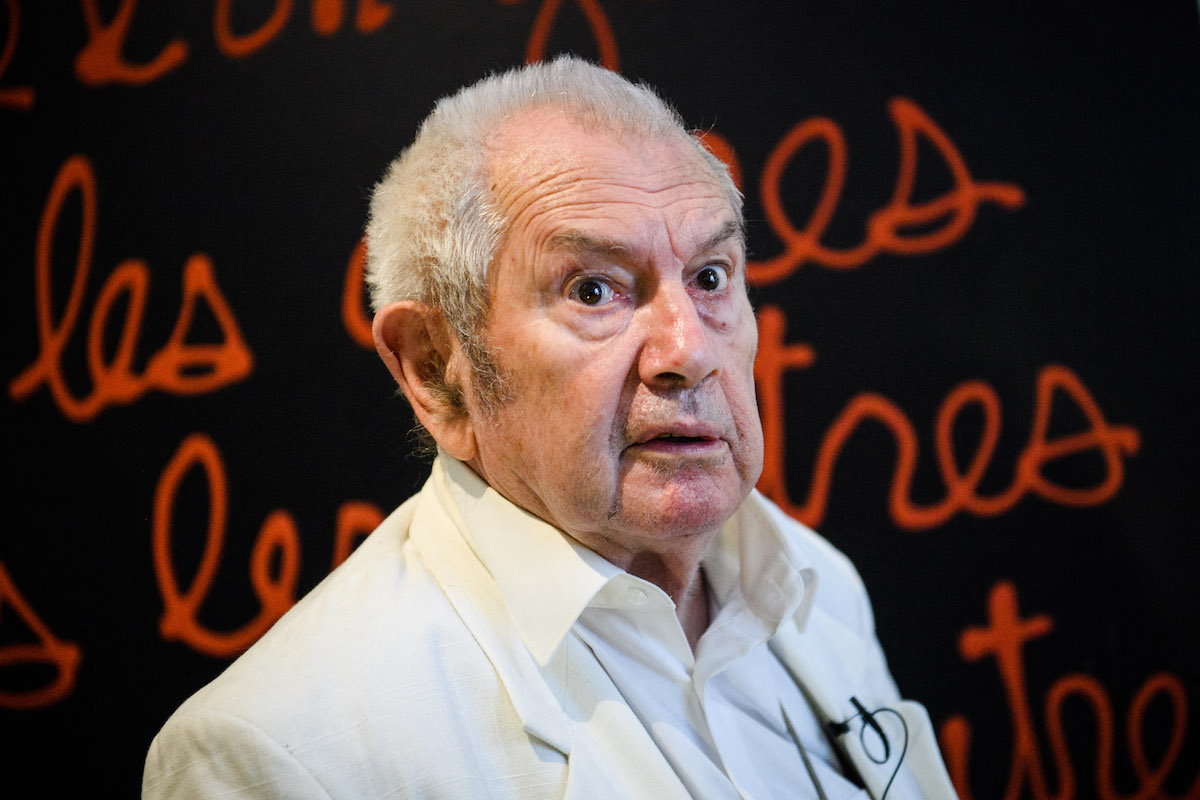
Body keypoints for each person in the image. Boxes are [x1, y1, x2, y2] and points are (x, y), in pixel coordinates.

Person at [142, 56, 957, 799]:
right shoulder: (276, 754)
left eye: (710, 276)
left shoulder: (812, 583)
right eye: (595, 290)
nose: (688, 351)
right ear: (436, 367)